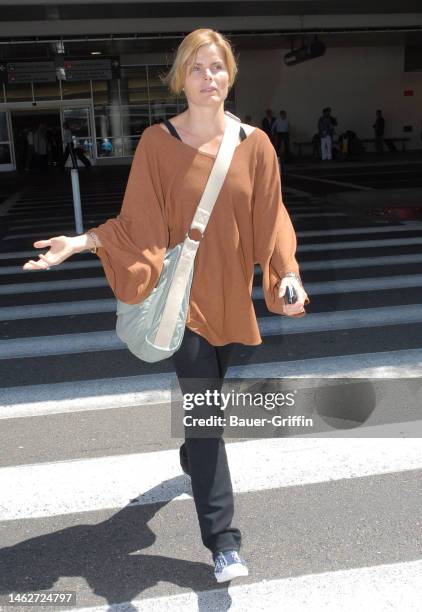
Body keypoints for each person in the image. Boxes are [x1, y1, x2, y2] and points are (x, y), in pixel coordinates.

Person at [21, 28, 309, 584]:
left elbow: (273, 218)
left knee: (208, 408)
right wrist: (80, 243)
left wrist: (286, 274)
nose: (208, 78)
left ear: (230, 75)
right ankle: (224, 542)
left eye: (217, 68)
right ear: (182, 77)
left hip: (232, 297)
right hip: (182, 305)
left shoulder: (255, 144)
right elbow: (137, 224)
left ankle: (192, 459)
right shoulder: (158, 142)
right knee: (207, 415)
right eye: (197, 68)